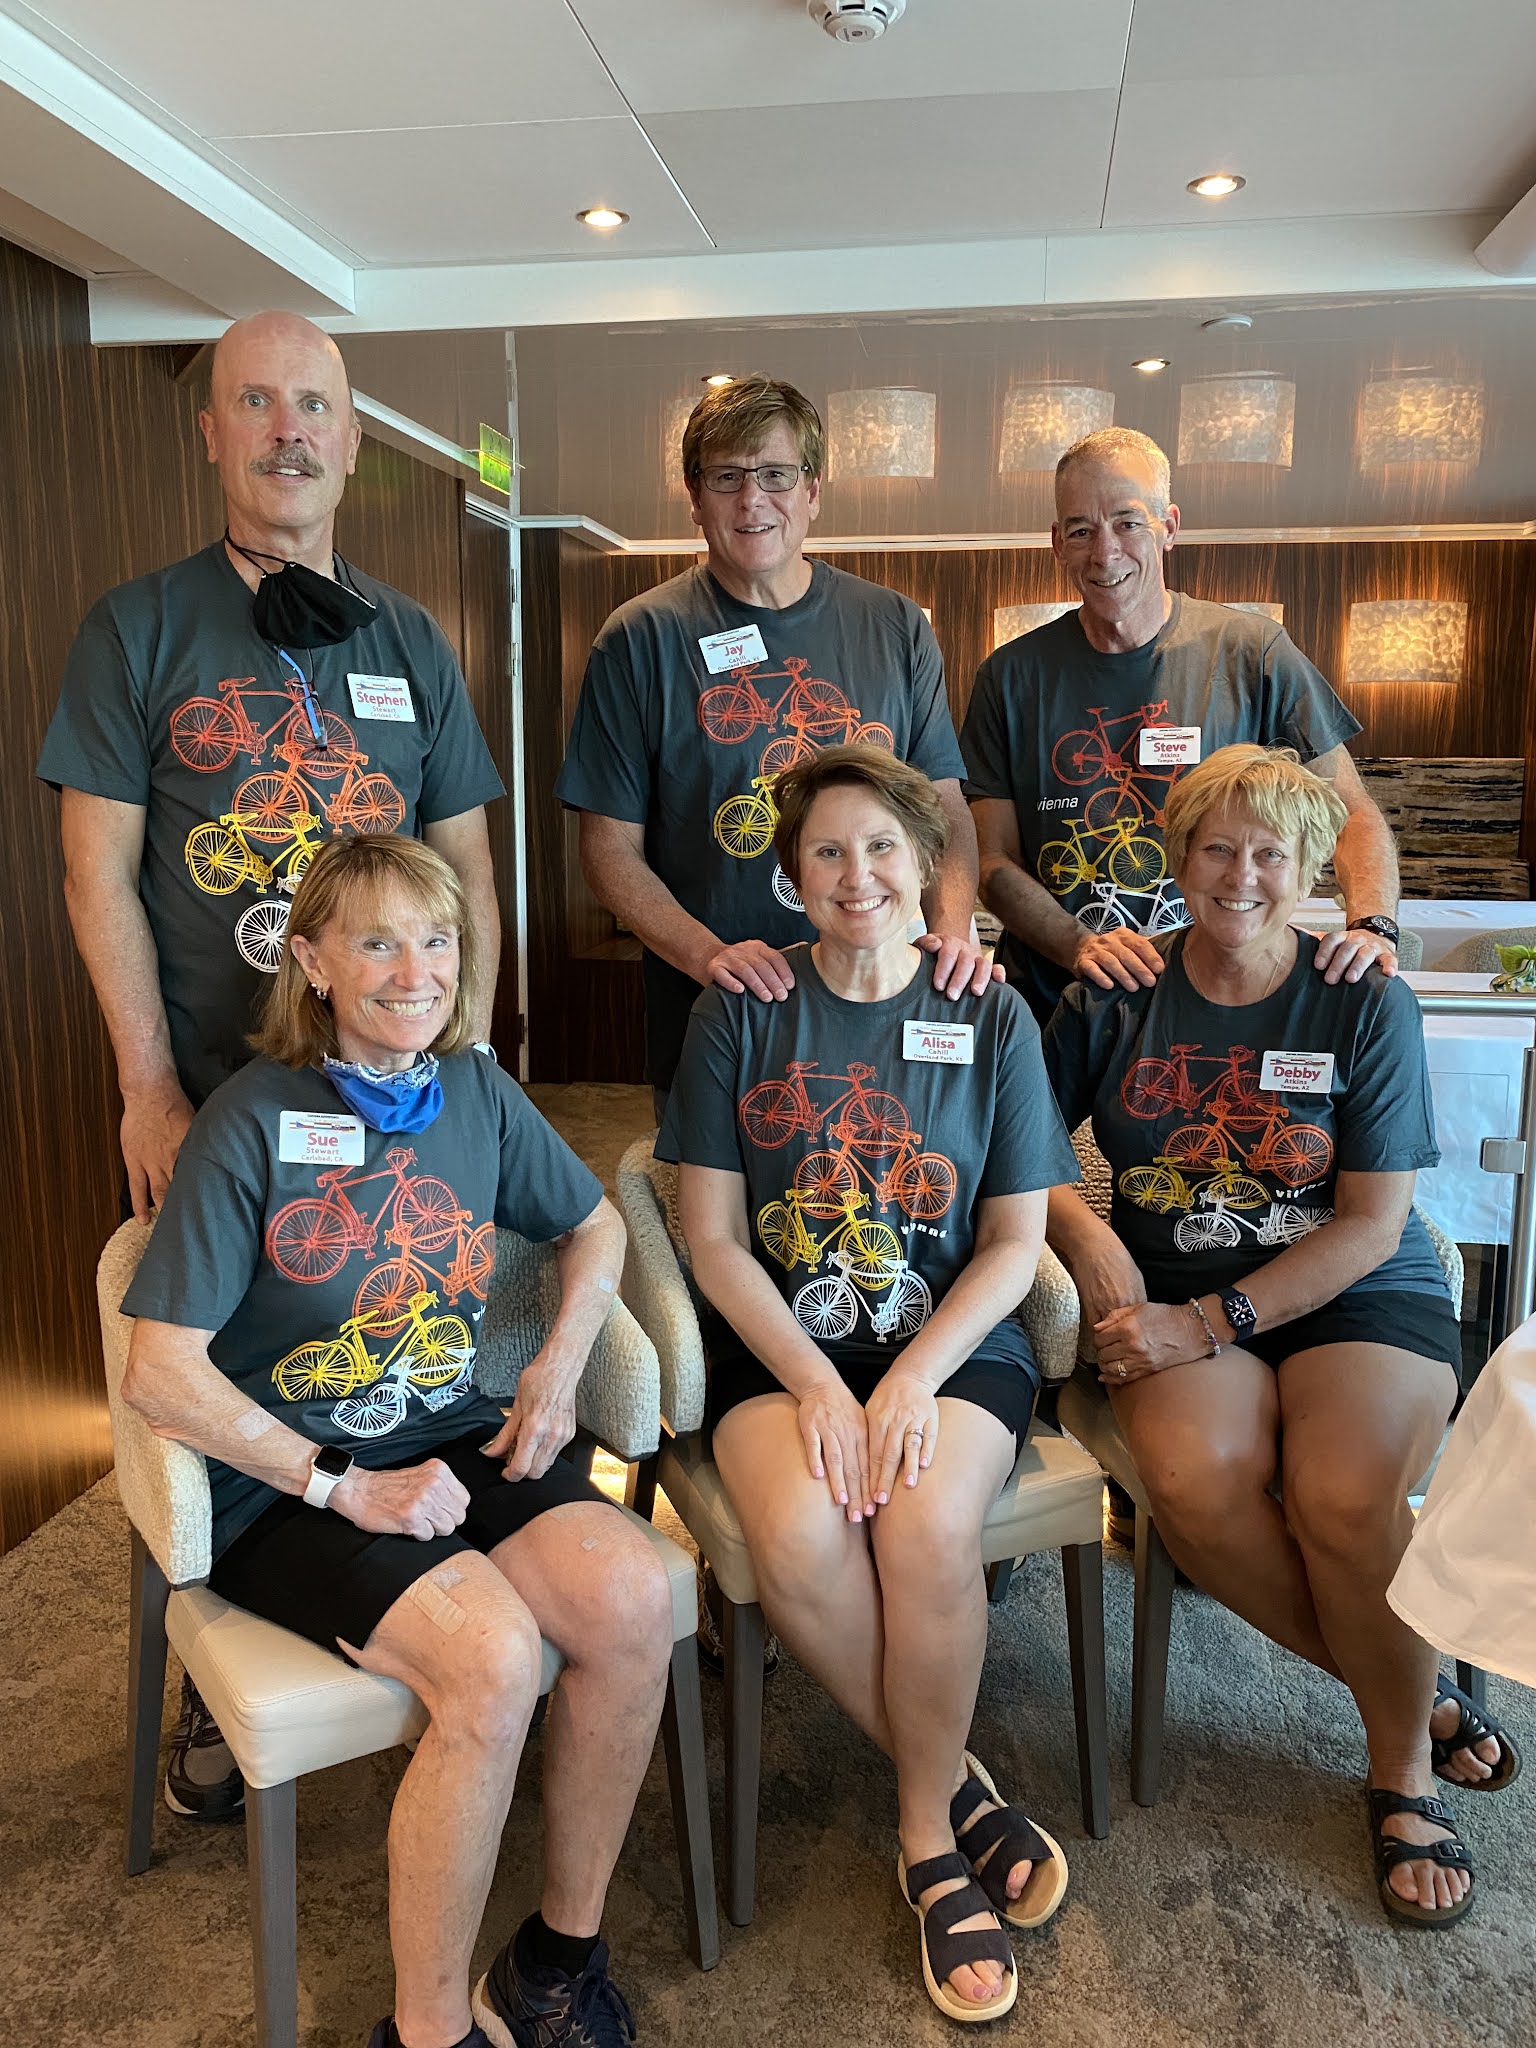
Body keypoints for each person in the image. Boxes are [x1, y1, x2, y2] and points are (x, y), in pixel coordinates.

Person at [38, 309, 505, 1821]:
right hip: (223, 1105)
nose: (287, 429)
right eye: (256, 402)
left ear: (352, 442)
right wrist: (146, 1085)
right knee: (222, 1375)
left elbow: (466, 874)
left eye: (313, 404)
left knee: (397, 1331)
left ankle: (435, 1590)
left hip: (395, 1096)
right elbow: (97, 874)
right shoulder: (138, 628)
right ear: (213, 433)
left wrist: (471, 1066)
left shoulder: (408, 638)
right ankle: (215, 1646)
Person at [121, 835, 671, 2048]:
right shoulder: (248, 1119)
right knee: (490, 1655)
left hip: (450, 1426)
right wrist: (340, 1485)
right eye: (377, 941)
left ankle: (553, 1967)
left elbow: (593, 1225)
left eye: (436, 939)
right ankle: (427, 2030)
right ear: (312, 961)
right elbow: (159, 1371)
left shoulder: (472, 1087)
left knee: (634, 1594)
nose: (415, 971)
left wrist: (557, 1361)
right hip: (288, 1477)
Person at [1041, 743, 1516, 1930]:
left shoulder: (1364, 995)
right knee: (1193, 1480)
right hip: (1172, 1284)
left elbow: (1373, 1223)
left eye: (1271, 853)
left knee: (1343, 1497)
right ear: (1178, 858)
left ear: (1310, 870)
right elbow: (1019, 1145)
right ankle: (1414, 1697)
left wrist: (1207, 1322)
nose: (1241, 875)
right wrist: (1088, 1238)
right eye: (1218, 847)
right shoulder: (1115, 990)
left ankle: (1397, 1766)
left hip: (1356, 1291)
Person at [657, 746, 1078, 2021]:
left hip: (952, 1344)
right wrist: (820, 1386)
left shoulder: (990, 1011)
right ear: (792, 874)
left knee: (926, 1525)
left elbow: (1014, 1244)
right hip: (780, 1345)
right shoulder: (740, 1007)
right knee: (798, 1530)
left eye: (884, 846)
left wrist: (907, 1381)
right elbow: (712, 1240)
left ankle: (924, 1840)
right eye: (828, 851)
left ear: (925, 861)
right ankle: (952, 1785)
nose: (859, 875)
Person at [557, 374, 997, 1117]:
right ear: (694, 497)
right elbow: (608, 848)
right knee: (710, 1194)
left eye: (774, 475)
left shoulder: (896, 627)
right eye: (726, 477)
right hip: (717, 1011)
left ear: (812, 489)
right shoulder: (639, 640)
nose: (751, 500)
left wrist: (952, 932)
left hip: (887, 1001)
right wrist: (708, 956)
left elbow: (945, 809)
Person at [961, 426, 1401, 1030]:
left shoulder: (1253, 653)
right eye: (1082, 530)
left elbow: (1349, 810)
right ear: (1057, 542)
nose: (1105, 552)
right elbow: (991, 860)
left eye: (1128, 523)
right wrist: (1078, 945)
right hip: (1055, 1008)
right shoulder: (1010, 676)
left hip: (1219, 1007)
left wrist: (1372, 925)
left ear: (1169, 526)